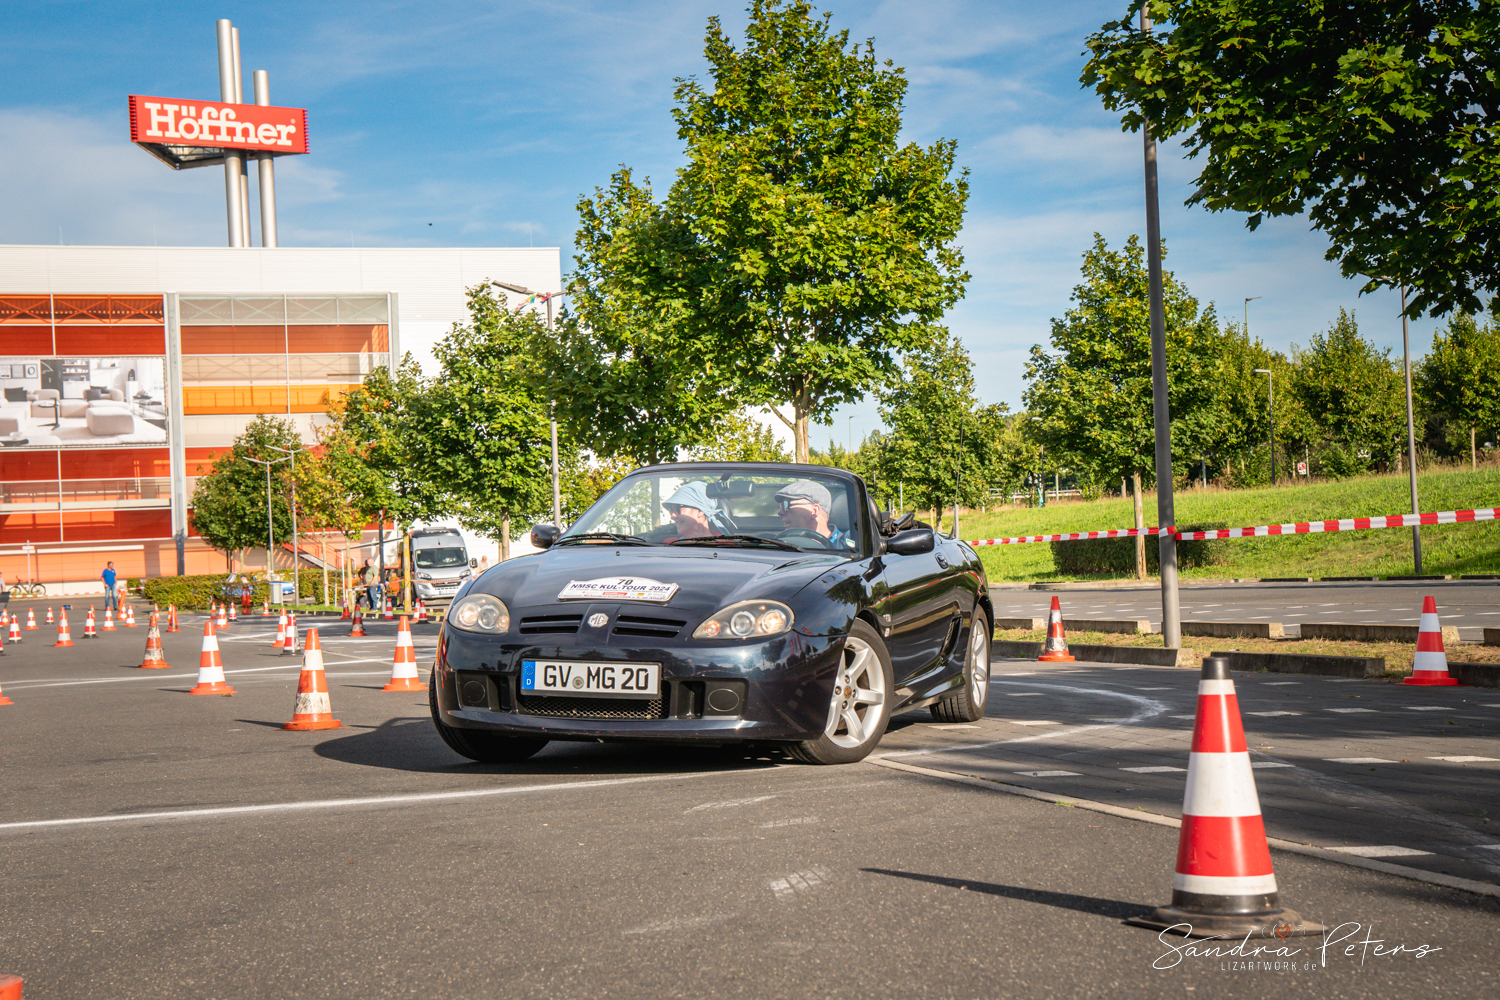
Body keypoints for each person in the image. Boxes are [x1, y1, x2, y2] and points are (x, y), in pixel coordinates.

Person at [774, 481, 852, 549]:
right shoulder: (781, 545)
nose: (779, 512)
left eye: (786, 505)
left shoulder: (848, 544)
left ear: (814, 510)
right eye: (780, 506)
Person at [661, 482, 731, 542]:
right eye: (671, 509)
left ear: (700, 511)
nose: (672, 516)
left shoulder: (726, 547)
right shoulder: (669, 545)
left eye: (678, 508)